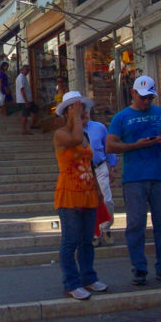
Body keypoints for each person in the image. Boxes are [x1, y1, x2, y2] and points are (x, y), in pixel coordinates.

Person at [106, 75, 161, 286]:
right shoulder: (121, 117)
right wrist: (135, 145)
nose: (146, 101)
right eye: (143, 98)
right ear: (133, 93)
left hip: (160, 175)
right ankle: (139, 269)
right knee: (136, 224)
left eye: (150, 97)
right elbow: (110, 145)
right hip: (134, 178)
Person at [54, 90, 108, 300]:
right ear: (68, 111)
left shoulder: (85, 133)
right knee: (70, 240)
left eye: (83, 108)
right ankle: (71, 282)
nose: (83, 113)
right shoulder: (62, 134)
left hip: (87, 192)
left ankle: (89, 278)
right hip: (69, 193)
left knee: (87, 239)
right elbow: (75, 139)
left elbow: (89, 163)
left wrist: (96, 188)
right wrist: (77, 119)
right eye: (77, 108)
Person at [81, 104, 118, 246]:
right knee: (89, 203)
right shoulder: (73, 132)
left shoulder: (99, 127)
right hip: (84, 171)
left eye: (86, 112)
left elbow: (107, 146)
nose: (85, 115)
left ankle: (106, 227)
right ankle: (94, 232)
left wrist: (112, 166)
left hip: (100, 166)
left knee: (107, 199)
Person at [15, 64, 39, 135]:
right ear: (23, 70)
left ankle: (32, 124)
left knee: (35, 110)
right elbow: (22, 90)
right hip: (24, 100)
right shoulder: (21, 77)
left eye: (28, 70)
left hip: (28, 99)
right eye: (26, 70)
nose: (27, 72)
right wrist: (26, 101)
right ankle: (24, 130)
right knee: (25, 115)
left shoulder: (23, 77)